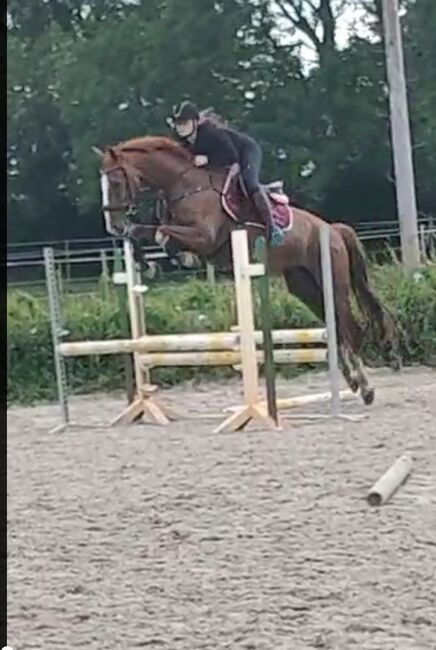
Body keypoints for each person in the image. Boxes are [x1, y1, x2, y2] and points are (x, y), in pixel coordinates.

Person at [167, 101, 284, 244]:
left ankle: (273, 227)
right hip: (222, 159)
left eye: (184, 123)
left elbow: (231, 156)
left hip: (245, 151)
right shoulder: (179, 140)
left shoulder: (210, 133)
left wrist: (207, 159)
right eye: (178, 124)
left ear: (195, 122)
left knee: (249, 183)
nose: (180, 128)